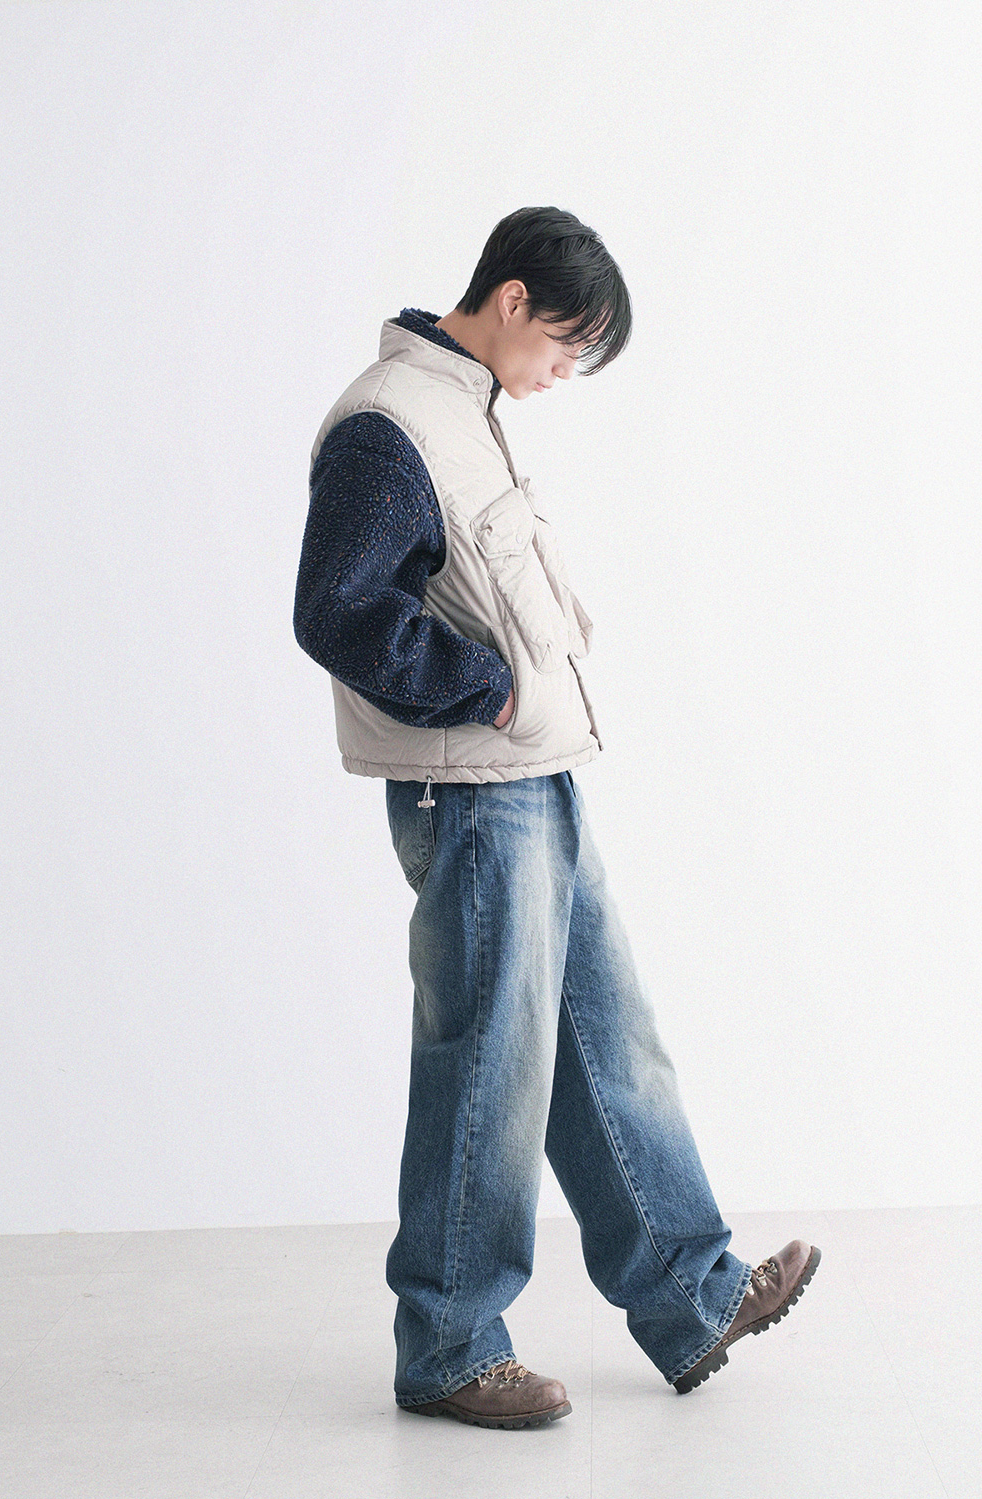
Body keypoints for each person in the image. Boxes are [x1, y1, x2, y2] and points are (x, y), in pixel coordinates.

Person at [293, 206, 820, 1430]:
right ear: (512, 298)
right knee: (488, 1061)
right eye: (566, 344)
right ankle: (448, 1345)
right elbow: (336, 606)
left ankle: (691, 1294)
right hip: (471, 789)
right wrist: (485, 687)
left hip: (531, 780)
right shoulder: (390, 421)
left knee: (603, 1040)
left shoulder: (465, 412)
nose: (565, 372)